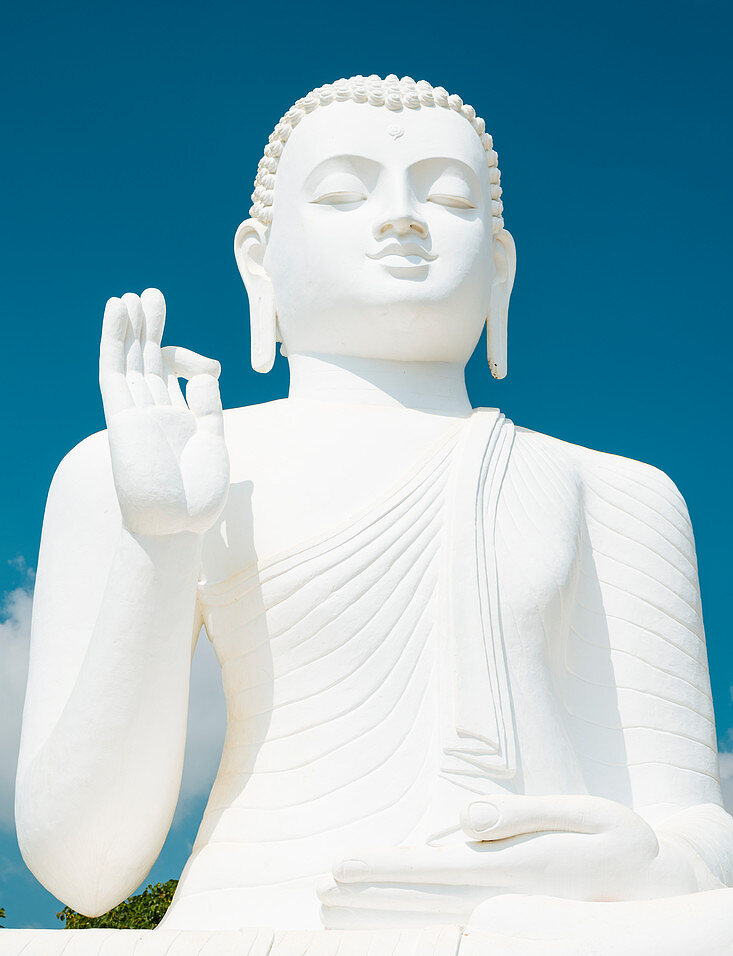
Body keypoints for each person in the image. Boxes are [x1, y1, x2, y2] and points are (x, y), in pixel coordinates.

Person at [14, 76, 733, 950]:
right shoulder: (136, 470)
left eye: (447, 195)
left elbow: (697, 835)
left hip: (546, 925)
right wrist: (157, 541)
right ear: (258, 260)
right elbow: (82, 872)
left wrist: (630, 866)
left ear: (500, 266)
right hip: (264, 925)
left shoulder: (619, 491)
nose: (403, 219)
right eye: (343, 194)